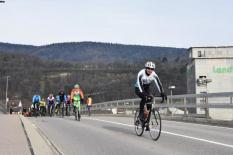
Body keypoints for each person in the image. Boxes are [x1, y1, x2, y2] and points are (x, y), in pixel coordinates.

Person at [135, 61, 167, 130]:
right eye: (148, 68)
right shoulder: (141, 73)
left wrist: (162, 93)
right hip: (138, 87)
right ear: (146, 68)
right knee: (144, 98)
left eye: (152, 69)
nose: (150, 70)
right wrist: (143, 93)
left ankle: (147, 123)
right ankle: (140, 114)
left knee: (150, 101)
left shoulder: (154, 75)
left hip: (146, 87)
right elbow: (139, 83)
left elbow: (159, 84)